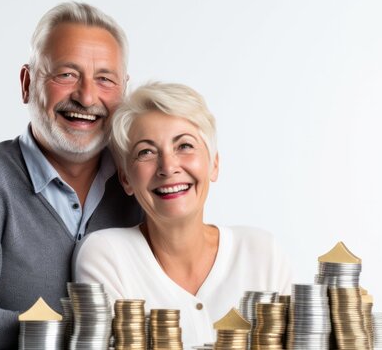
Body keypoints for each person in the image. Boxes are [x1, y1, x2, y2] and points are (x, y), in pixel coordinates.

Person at [0, 2, 142, 349]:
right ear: (27, 83)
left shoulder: (141, 186)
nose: (86, 96)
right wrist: (99, 331)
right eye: (66, 74)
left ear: (124, 92)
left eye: (105, 79)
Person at [74, 82, 293, 347]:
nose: (168, 167)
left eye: (185, 146)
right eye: (146, 152)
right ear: (126, 179)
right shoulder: (107, 255)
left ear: (214, 163)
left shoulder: (262, 252)